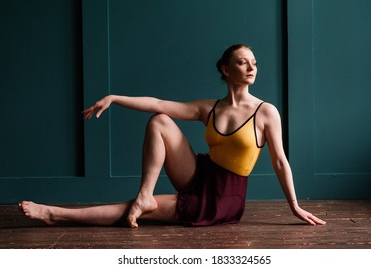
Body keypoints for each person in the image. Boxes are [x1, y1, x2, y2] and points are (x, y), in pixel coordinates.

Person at [19, 44, 326, 228]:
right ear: (225, 68)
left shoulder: (266, 112)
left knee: (135, 210)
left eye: (254, 62)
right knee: (160, 120)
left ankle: (53, 214)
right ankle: (146, 194)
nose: (251, 67)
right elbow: (159, 103)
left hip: (224, 197)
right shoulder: (210, 107)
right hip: (200, 173)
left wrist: (295, 206)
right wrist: (113, 97)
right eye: (243, 61)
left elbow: (281, 162)